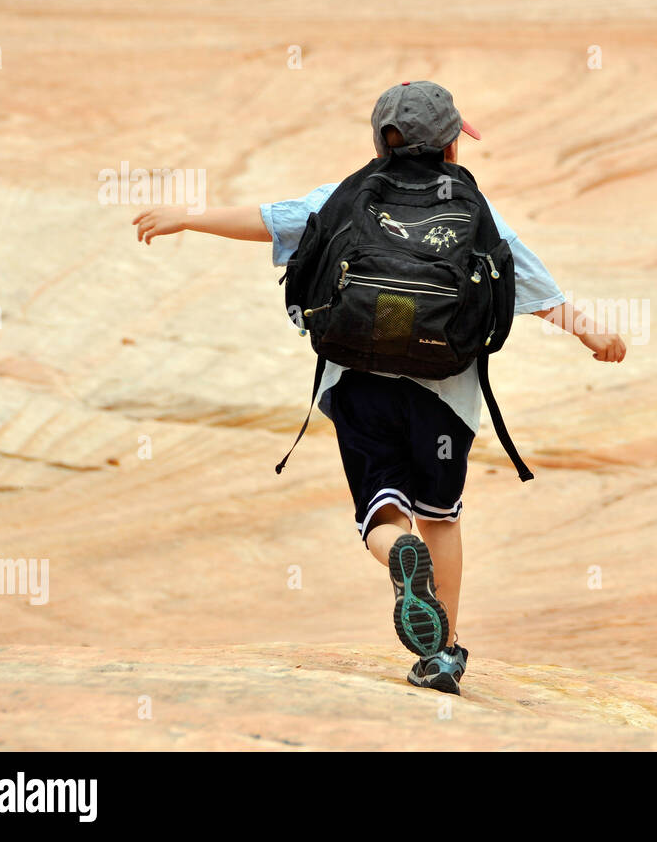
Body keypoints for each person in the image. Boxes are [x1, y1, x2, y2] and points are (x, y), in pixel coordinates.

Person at [131, 81, 627, 694]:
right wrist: (594, 332)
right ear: (452, 148)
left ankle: (394, 549)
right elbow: (535, 287)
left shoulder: (346, 197)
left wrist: (187, 217)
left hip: (358, 384)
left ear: (380, 140)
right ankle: (442, 655)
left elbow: (267, 220)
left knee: (383, 508)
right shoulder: (476, 211)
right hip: (444, 396)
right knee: (441, 519)